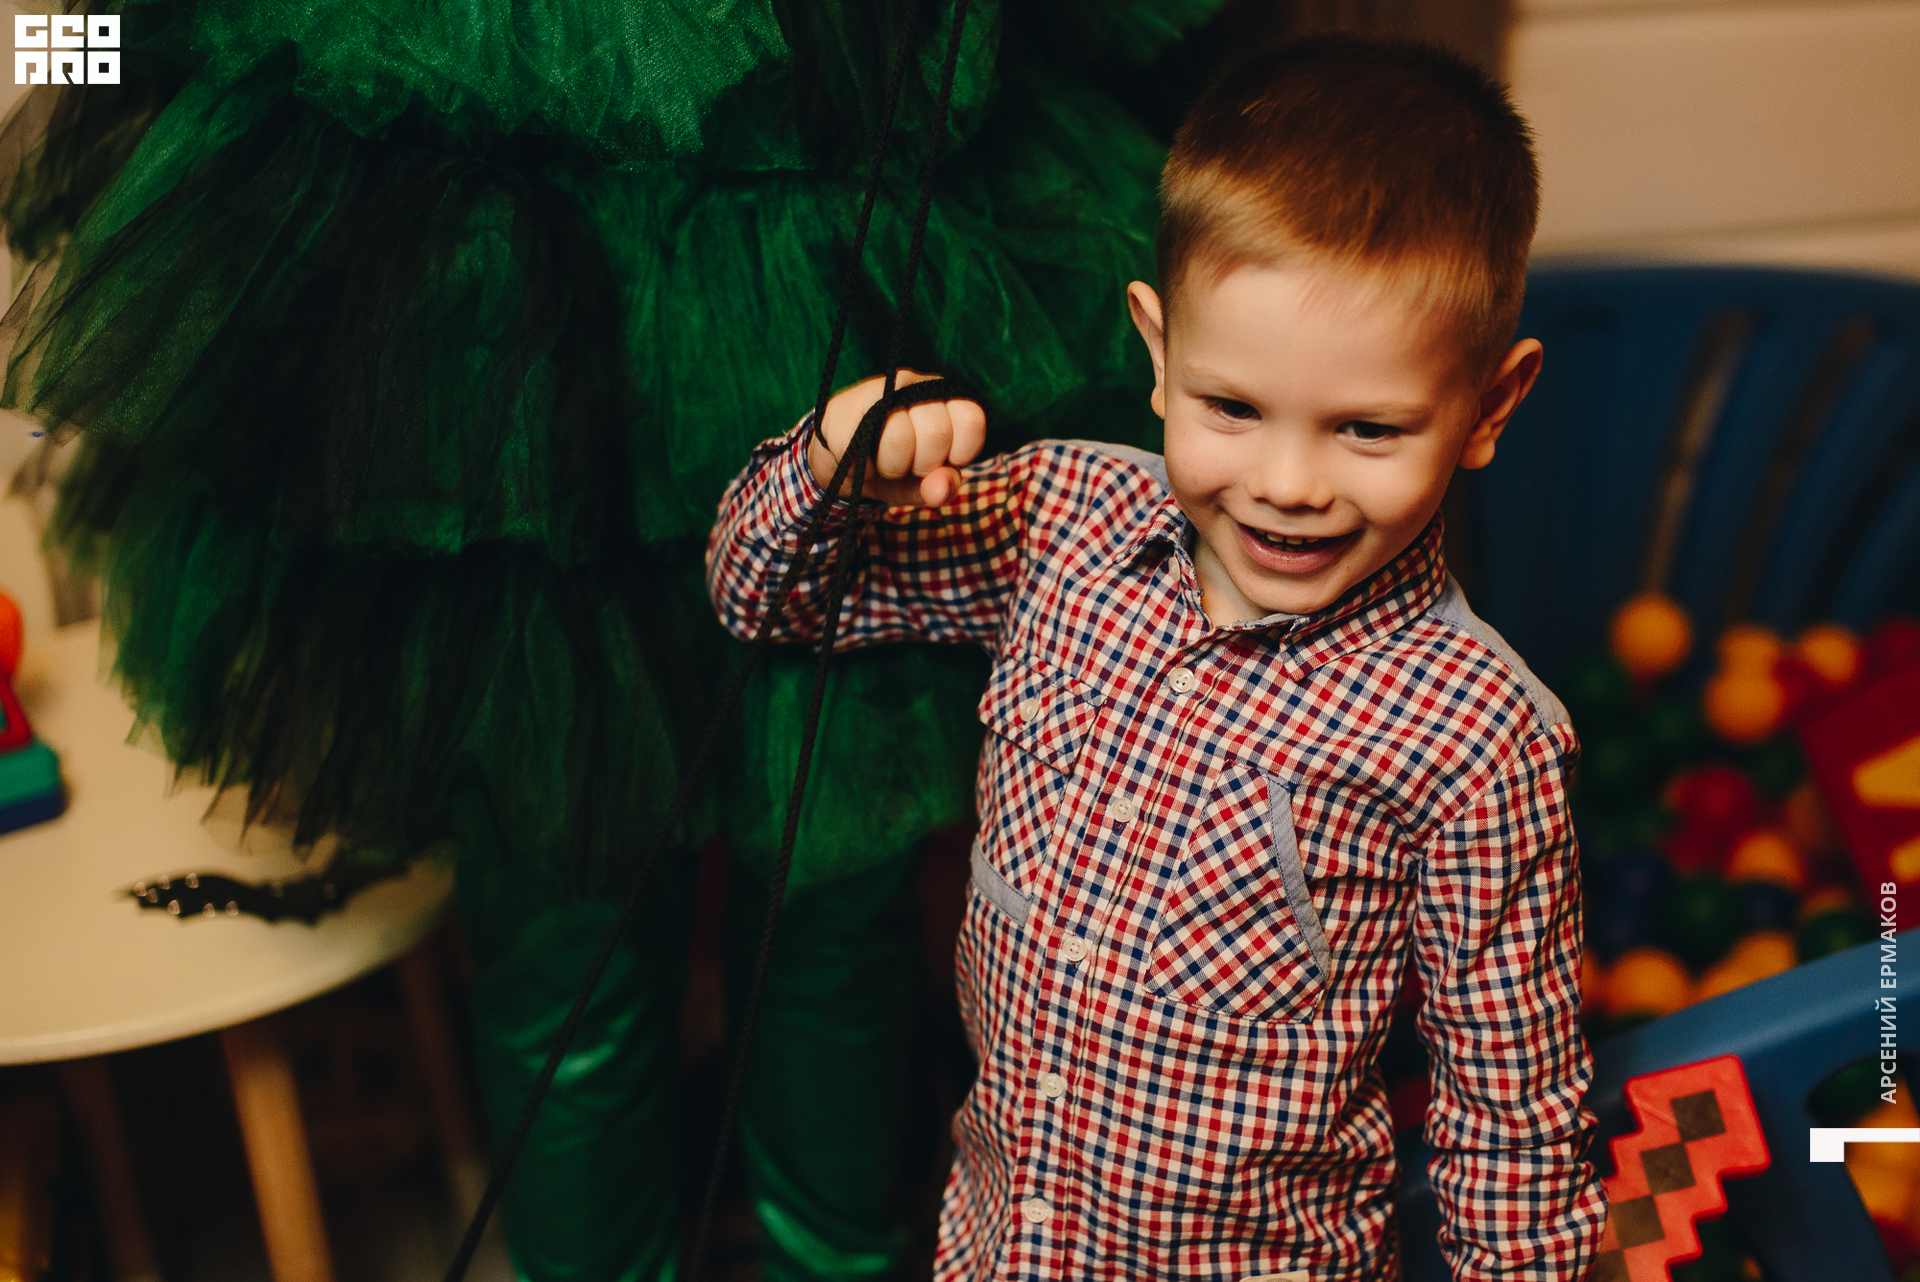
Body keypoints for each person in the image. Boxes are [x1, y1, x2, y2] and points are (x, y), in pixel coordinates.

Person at [0, 1, 1226, 1276]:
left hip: (830, 220)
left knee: (834, 897)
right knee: (571, 931)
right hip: (505, 373)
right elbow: (130, 32)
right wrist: (54, 45)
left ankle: (835, 1256)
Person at [708, 34, 1606, 1281]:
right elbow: (763, 599)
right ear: (1159, 352)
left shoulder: (1479, 734)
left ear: (1488, 408)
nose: (1287, 484)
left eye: (1367, 429)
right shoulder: (1058, 521)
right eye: (1231, 407)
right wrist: (829, 466)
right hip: (999, 1248)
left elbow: (1513, 1121)